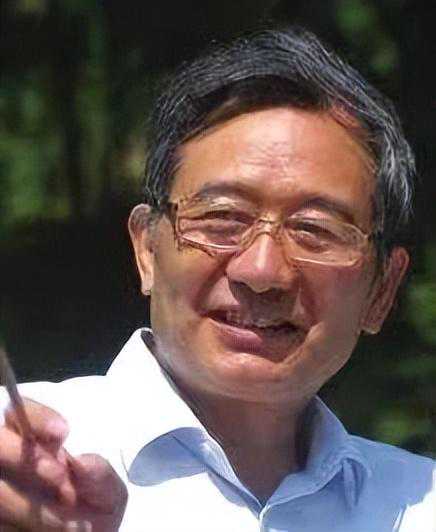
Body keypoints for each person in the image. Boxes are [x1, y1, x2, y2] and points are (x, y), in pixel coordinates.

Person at [0, 26, 435, 531]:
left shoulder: (420, 506)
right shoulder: (18, 461)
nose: (263, 271)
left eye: (315, 230)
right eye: (222, 218)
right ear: (147, 249)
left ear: (382, 290)